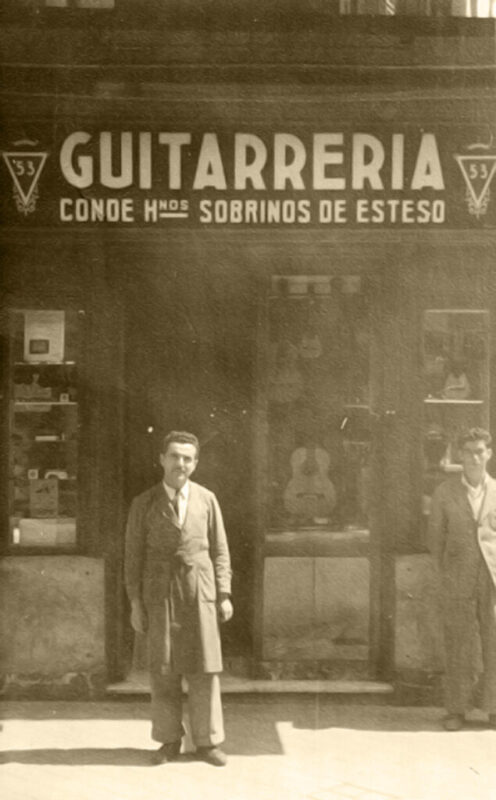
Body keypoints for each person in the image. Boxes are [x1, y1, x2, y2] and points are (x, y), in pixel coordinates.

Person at [125, 430, 233, 765]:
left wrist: (224, 594)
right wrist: (135, 603)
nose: (180, 464)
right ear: (161, 459)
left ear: (195, 463)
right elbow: (132, 557)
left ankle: (208, 742)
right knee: (164, 670)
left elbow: (219, 551)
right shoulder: (144, 503)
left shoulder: (207, 499)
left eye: (187, 458)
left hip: (199, 594)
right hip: (159, 593)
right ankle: (169, 740)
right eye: (174, 456)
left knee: (204, 670)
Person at [428, 427, 496, 731]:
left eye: (480, 451)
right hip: (458, 577)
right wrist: (447, 573)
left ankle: (493, 708)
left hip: (492, 579)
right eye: (468, 452)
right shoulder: (445, 493)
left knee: (493, 642)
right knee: (457, 642)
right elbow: (435, 540)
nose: (474, 457)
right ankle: (456, 710)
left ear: (489, 454)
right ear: (460, 455)